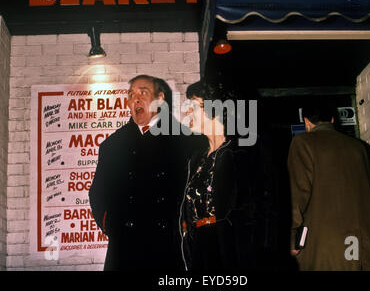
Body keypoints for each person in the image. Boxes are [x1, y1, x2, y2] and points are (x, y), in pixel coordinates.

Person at [89, 75, 206, 271]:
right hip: (124, 249)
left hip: (169, 247)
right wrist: (111, 226)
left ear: (160, 99)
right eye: (131, 95)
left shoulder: (188, 142)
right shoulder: (112, 145)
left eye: (143, 93)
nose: (135, 99)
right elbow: (97, 193)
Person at [178, 81, 277, 270]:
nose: (187, 113)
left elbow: (265, 210)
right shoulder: (197, 158)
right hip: (201, 248)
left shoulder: (245, 152)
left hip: (234, 252)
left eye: (192, 106)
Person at [287, 102, 370, 270]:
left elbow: (297, 193)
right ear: (333, 119)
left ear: (306, 121)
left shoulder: (303, 143)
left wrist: (291, 238)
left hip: (328, 244)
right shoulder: (359, 147)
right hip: (365, 244)